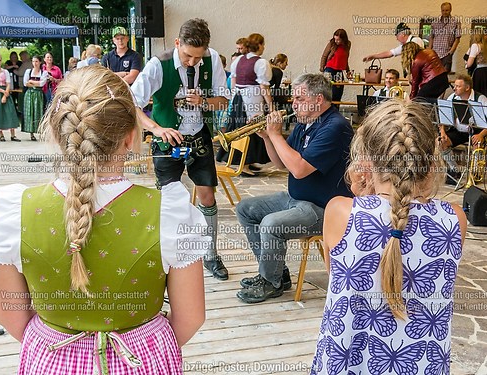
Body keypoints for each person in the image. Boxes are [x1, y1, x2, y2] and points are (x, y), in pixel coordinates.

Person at [0, 65, 206, 374]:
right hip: (141, 357)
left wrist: (59, 343)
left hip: (51, 357)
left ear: (55, 131)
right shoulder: (169, 214)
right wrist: (145, 340)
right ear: (131, 137)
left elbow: (10, 314)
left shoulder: (15, 210)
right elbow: (190, 317)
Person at [310, 100, 467, 374]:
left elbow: (336, 276)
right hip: (421, 364)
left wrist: (361, 190)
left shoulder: (341, 211)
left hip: (347, 363)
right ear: (431, 161)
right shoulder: (455, 219)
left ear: (366, 160)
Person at [235, 73, 353, 303]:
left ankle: (270, 282)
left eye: (299, 98)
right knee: (245, 209)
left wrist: (276, 134)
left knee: (271, 224)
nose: (293, 103)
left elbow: (299, 169)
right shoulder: (305, 123)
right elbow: (281, 164)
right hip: (296, 199)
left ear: (318, 99)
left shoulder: (335, 126)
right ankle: (276, 273)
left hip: (324, 210)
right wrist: (268, 138)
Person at [131, 18, 230, 281]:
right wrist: (156, 129)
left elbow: (222, 102)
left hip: (199, 137)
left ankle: (210, 254)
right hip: (167, 140)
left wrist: (205, 101)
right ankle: (166, 255)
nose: (191, 63)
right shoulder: (158, 64)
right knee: (168, 200)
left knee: (207, 196)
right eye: (187, 55)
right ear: (177, 43)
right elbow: (131, 103)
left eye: (197, 58)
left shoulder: (212, 60)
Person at [228, 33, 273, 175]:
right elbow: (264, 87)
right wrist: (271, 106)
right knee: (251, 129)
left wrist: (234, 98)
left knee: (242, 128)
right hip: (252, 99)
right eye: (263, 44)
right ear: (259, 45)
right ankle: (245, 165)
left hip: (239, 98)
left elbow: (234, 81)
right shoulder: (261, 63)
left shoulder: (239, 60)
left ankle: (249, 162)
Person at [439, 74, 487, 183]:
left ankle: (475, 172)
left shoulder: (481, 99)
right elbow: (444, 117)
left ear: (467, 88)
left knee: (477, 143)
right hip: (458, 131)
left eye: (458, 86)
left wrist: (481, 135)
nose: (454, 88)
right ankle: (454, 170)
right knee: (440, 142)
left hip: (477, 131)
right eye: (454, 85)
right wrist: (442, 132)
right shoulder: (452, 97)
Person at [0, 53, 20, 142]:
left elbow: (8, 83)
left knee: (10, 111)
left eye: (0, 60)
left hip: (5, 91)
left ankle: (13, 134)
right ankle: (1, 134)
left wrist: (6, 94)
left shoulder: (5, 71)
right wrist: (3, 92)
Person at [428, 2, 461, 73]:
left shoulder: (455, 22)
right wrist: (429, 50)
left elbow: (457, 39)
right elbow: (431, 37)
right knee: (434, 74)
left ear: (450, 10)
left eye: (447, 10)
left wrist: (451, 52)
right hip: (435, 53)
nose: (444, 12)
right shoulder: (435, 22)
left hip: (447, 53)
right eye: (443, 10)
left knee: (444, 75)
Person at [320, 29, 351, 103]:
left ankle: (336, 110)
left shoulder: (347, 45)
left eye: (338, 40)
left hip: (340, 70)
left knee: (338, 93)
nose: (336, 41)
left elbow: (345, 58)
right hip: (330, 69)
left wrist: (348, 70)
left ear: (343, 39)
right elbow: (324, 55)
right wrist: (322, 68)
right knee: (329, 92)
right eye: (335, 39)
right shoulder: (331, 43)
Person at [23, 55, 48, 141]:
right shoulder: (28, 71)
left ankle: (41, 132)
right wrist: (36, 82)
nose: (35, 63)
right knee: (30, 112)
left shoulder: (44, 72)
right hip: (30, 93)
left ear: (40, 62)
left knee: (39, 112)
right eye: (33, 61)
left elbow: (42, 84)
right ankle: (31, 133)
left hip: (39, 94)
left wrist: (32, 82)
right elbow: (25, 83)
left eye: (36, 61)